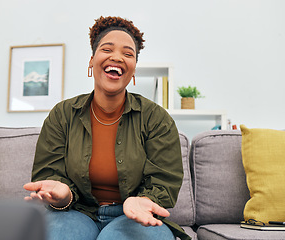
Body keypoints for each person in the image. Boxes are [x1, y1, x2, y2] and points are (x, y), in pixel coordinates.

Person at [23, 16, 190, 240]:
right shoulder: (62, 115)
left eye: (128, 54)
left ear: (133, 70)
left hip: (132, 216)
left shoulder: (156, 119)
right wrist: (63, 196)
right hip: (75, 212)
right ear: (92, 61)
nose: (117, 57)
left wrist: (143, 201)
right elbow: (49, 174)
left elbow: (164, 181)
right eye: (107, 49)